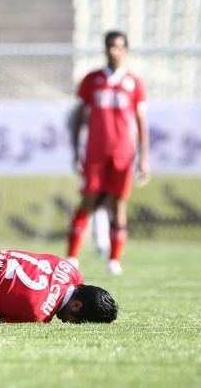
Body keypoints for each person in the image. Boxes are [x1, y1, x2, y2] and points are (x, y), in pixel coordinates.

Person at [67, 31, 149, 275]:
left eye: (119, 46)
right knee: (88, 200)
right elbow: (78, 118)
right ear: (105, 49)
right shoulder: (91, 80)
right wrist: (76, 151)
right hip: (95, 152)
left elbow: (141, 121)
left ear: (126, 50)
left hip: (123, 153)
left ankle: (114, 260)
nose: (114, 51)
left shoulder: (134, 82)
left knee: (118, 205)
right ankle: (72, 257)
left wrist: (144, 158)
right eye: (110, 46)